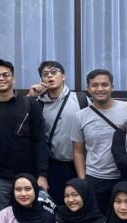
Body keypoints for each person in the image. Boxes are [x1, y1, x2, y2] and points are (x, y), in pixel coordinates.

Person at [0, 59, 48, 214]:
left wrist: (42, 175)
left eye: (5, 75)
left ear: (13, 78)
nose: (1, 78)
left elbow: (40, 141)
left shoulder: (30, 105)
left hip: (28, 175)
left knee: (29, 218)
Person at [28, 61, 88, 205]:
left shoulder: (80, 99)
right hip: (51, 165)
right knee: (53, 204)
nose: (50, 76)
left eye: (54, 72)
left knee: (79, 203)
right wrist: (30, 97)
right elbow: (21, 123)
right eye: (45, 74)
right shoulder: (38, 103)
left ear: (64, 76)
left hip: (79, 164)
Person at [71, 69, 127, 213]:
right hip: (95, 178)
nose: (100, 89)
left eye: (104, 84)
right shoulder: (80, 116)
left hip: (124, 176)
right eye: (95, 85)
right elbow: (78, 151)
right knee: (97, 219)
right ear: (88, 89)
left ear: (112, 87)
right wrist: (83, 180)